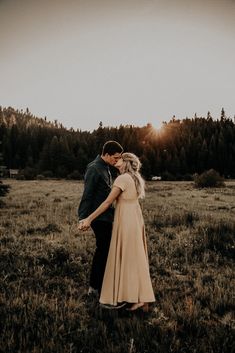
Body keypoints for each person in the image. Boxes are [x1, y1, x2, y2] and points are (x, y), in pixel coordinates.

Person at [79, 153, 155, 311]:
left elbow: (107, 202)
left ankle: (133, 296)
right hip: (135, 219)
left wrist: (89, 218)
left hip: (126, 221)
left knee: (127, 257)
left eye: (119, 158)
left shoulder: (122, 179)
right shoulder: (135, 178)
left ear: (125, 162)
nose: (116, 160)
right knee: (136, 258)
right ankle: (141, 299)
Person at [78, 140, 123, 296]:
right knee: (103, 250)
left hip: (108, 217)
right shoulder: (94, 168)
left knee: (107, 250)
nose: (117, 160)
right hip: (98, 218)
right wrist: (83, 218)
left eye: (119, 158)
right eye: (115, 157)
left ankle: (104, 283)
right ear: (106, 154)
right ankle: (94, 287)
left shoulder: (107, 168)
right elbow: (87, 195)